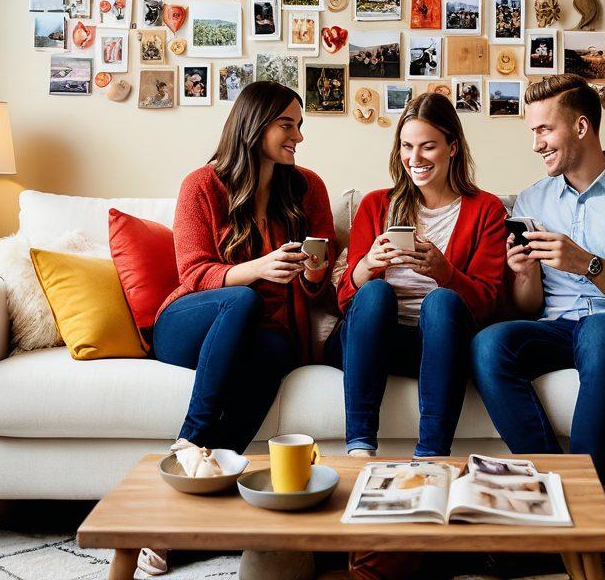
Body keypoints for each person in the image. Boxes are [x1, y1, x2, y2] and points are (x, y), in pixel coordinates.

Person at [140, 81, 335, 577]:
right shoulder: (202, 185)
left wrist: (314, 274)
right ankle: (190, 442)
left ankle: (185, 525)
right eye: (287, 124)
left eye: (300, 125)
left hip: (260, 336)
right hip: (190, 324)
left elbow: (321, 292)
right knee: (243, 299)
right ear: (255, 126)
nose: (298, 136)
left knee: (275, 347)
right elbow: (193, 275)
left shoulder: (307, 187)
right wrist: (258, 268)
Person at [471, 73, 605, 487]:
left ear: (582, 127)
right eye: (533, 131)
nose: (536, 144)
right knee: (488, 343)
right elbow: (530, 308)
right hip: (557, 330)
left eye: (545, 129)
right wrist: (526, 274)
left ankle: (586, 498)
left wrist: (589, 264)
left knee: (597, 329)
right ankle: (553, 486)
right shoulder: (532, 200)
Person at [331, 92, 506, 459]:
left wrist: (446, 273)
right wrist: (366, 266)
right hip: (374, 343)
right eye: (407, 146)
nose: (414, 159)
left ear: (452, 147)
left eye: (428, 147)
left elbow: (488, 303)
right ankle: (360, 448)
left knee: (441, 300)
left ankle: (431, 453)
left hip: (442, 345)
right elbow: (348, 302)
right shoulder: (377, 204)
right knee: (376, 293)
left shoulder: (485, 209)